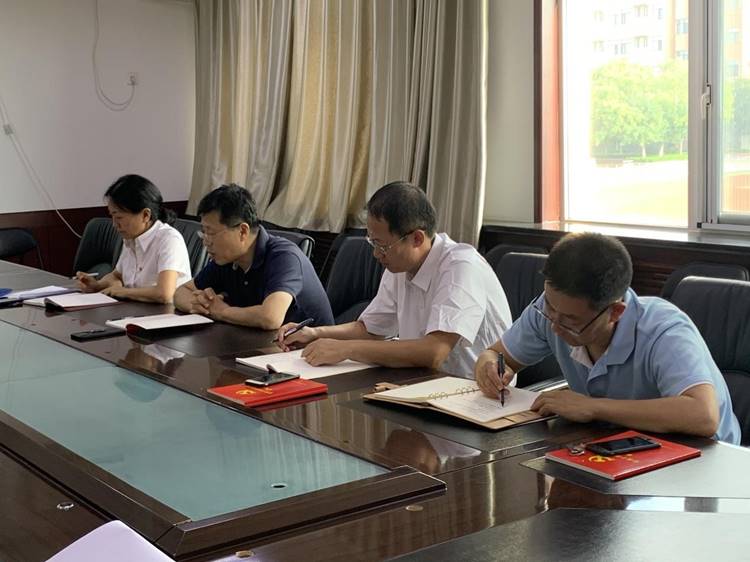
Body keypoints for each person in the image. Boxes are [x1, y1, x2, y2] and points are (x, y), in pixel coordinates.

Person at [474, 232, 741, 444]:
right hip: (622, 447)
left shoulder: (664, 330)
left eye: (571, 320)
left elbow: (703, 416)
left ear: (615, 312)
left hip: (703, 460)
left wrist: (593, 407)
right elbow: (496, 354)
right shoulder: (552, 309)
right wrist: (488, 366)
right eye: (550, 308)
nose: (554, 326)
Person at [277, 181, 512, 377]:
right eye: (372, 242)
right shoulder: (399, 265)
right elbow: (370, 329)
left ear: (417, 238)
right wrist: (315, 333)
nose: (376, 254)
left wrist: (346, 349)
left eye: (382, 245)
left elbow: (434, 352)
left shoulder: (461, 266)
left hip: (475, 394)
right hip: (424, 384)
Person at [173, 184, 333, 329]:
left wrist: (222, 311)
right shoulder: (226, 258)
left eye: (211, 233)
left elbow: (270, 318)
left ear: (243, 231)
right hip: (258, 343)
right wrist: (200, 305)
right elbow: (181, 292)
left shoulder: (284, 257)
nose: (205, 241)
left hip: (307, 348)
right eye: (203, 232)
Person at [76, 174, 191, 303]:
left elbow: (164, 293)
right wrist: (98, 285)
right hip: (134, 309)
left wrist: (123, 292)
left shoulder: (169, 239)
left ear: (146, 215)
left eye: (119, 217)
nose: (114, 224)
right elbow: (117, 275)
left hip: (164, 313)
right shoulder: (131, 238)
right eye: (112, 216)